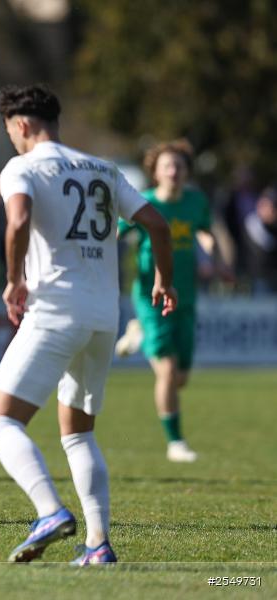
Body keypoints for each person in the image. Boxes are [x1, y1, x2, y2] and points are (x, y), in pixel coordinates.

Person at [0, 84, 176, 565]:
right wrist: (162, 282)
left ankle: (49, 512)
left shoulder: (22, 168)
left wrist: (13, 281)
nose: (11, 139)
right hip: (103, 316)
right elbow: (157, 224)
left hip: (54, 309)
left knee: (1, 423)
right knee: (78, 433)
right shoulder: (103, 168)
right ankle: (98, 545)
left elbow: (19, 219)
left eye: (10, 130)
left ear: (22, 124)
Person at [118, 140, 231, 463]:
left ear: (187, 172)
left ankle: (136, 332)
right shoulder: (144, 204)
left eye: (179, 166)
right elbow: (117, 232)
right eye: (167, 165)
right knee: (166, 371)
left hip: (186, 294)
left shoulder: (196, 202)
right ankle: (176, 443)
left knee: (180, 378)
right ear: (155, 172)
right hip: (151, 296)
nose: (173, 171)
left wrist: (218, 260)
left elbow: (206, 232)